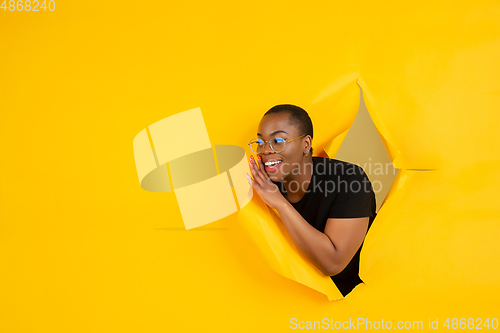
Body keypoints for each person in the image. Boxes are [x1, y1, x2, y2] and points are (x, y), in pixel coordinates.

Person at [245, 104, 377, 297]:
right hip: (295, 296)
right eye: (260, 141)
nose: (265, 150)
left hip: (353, 301)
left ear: (306, 144)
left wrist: (280, 203)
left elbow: (333, 263)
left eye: (278, 140)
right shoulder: (265, 181)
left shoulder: (350, 180)